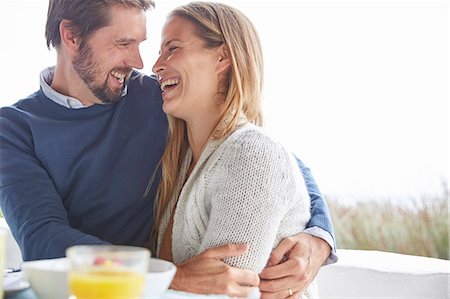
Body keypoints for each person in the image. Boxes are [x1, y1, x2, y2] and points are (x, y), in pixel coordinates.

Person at [0, 0, 336, 297]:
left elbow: (267, 156)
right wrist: (166, 276)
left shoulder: (157, 97)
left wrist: (319, 237)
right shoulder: (14, 128)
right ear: (71, 37)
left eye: (142, 43)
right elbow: (42, 238)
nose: (139, 61)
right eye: (123, 43)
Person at [151, 2, 323, 298]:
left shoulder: (252, 154)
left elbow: (224, 292)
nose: (156, 66)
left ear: (222, 57)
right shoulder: (184, 162)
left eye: (173, 48)